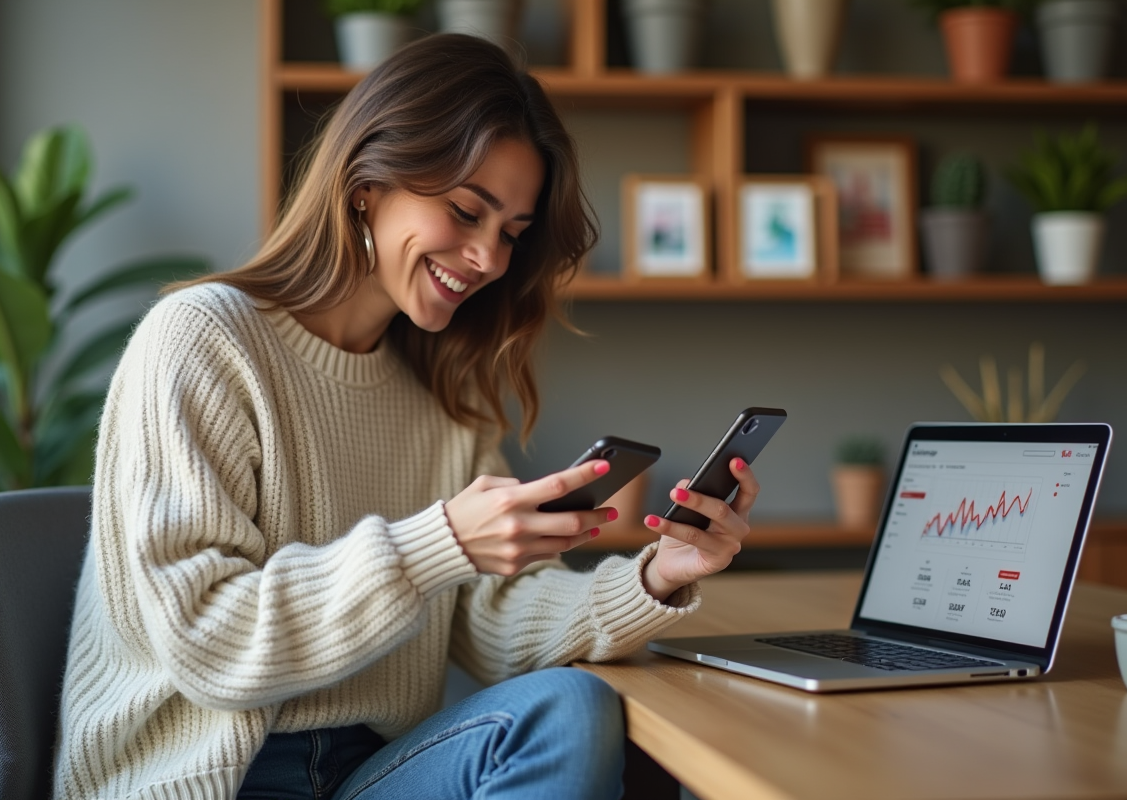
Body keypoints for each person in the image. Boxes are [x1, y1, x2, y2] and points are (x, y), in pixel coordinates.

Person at [50, 33, 760, 800]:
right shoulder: (204, 339)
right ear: (366, 185)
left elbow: (495, 621)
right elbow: (206, 639)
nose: (489, 258)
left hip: (367, 775)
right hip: (208, 780)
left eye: (511, 235)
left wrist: (656, 576)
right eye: (466, 211)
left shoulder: (438, 393)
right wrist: (440, 540)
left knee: (570, 712)